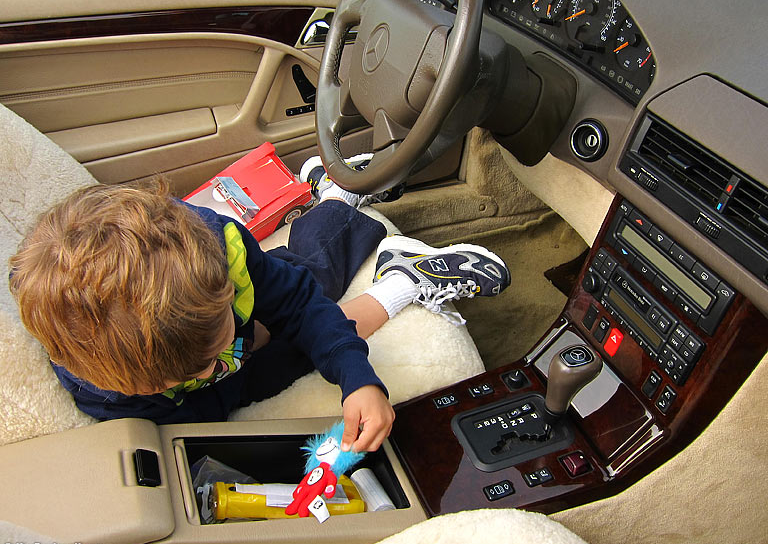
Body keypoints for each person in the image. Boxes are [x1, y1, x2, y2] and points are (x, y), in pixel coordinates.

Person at [9, 156, 510, 453]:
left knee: (308, 276)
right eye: (200, 367)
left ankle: (338, 198)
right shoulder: (105, 386)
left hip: (252, 301)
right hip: (232, 382)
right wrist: (232, 369)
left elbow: (297, 301)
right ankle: (402, 278)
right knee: (291, 352)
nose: (220, 362)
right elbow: (187, 425)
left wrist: (359, 380)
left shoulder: (215, 246)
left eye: (219, 345)